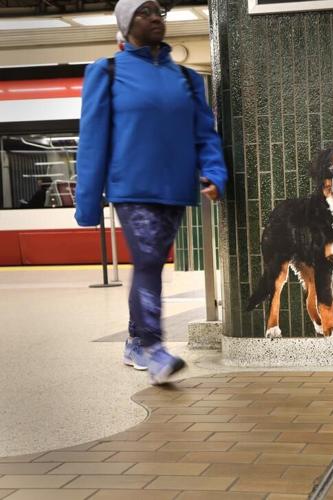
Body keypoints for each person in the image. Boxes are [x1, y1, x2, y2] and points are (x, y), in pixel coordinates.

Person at [75, 0, 228, 385]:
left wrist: (214, 173)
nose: (155, 17)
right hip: (132, 187)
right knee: (147, 260)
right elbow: (93, 141)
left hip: (175, 188)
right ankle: (153, 348)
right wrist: (88, 203)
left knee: (153, 260)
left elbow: (204, 135)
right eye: (144, 12)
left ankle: (133, 339)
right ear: (127, 25)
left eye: (159, 10)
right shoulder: (107, 72)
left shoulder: (187, 79)